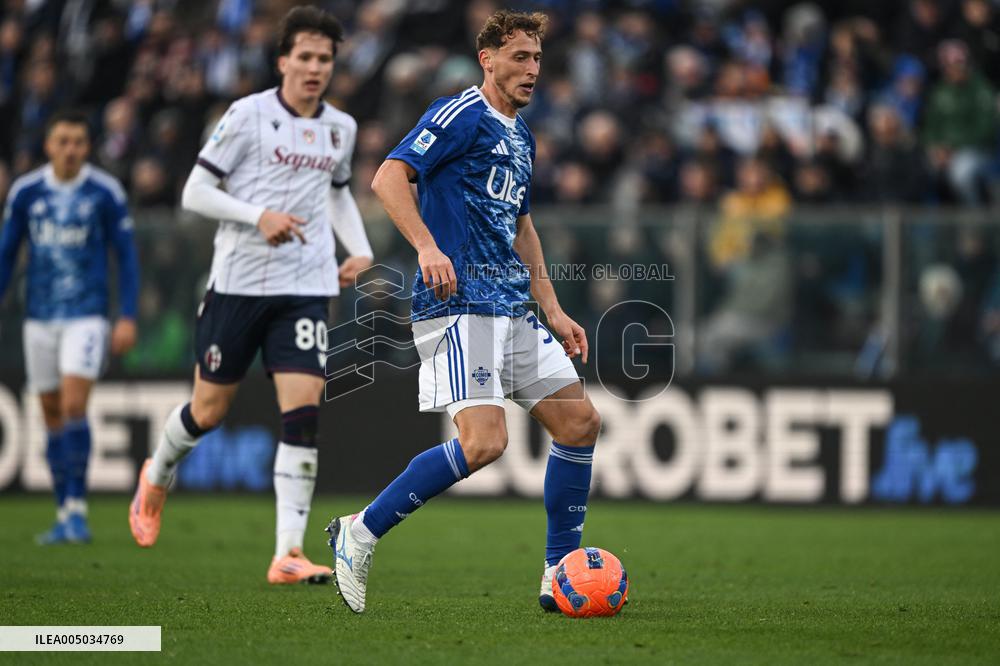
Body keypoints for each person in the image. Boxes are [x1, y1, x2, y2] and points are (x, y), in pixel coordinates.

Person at [327, 10, 602, 614]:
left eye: (537, 58)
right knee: (484, 443)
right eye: (520, 58)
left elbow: (521, 225)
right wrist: (426, 246)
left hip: (511, 305)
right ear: (489, 59)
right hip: (459, 307)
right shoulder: (460, 114)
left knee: (580, 424)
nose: (532, 70)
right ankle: (360, 531)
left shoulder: (523, 136)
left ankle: (559, 574)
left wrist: (551, 306)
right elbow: (388, 176)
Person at [127, 6, 374, 585]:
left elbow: (338, 194)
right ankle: (157, 474)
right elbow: (194, 192)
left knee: (304, 415)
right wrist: (256, 215)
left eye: (325, 59)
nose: (315, 68)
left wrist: (356, 248)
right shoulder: (246, 115)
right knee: (208, 411)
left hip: (306, 288)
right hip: (238, 284)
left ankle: (287, 551)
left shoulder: (341, 127)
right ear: (283, 60)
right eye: (305, 57)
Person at [0, 109, 139, 544]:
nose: (71, 149)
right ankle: (63, 511)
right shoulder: (26, 193)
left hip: (87, 315)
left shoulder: (104, 192)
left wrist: (128, 314)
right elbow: (6, 253)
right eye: (63, 141)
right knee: (51, 415)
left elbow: (127, 256)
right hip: (39, 317)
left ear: (87, 146)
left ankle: (78, 510)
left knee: (75, 405)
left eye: (78, 141)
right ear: (48, 145)